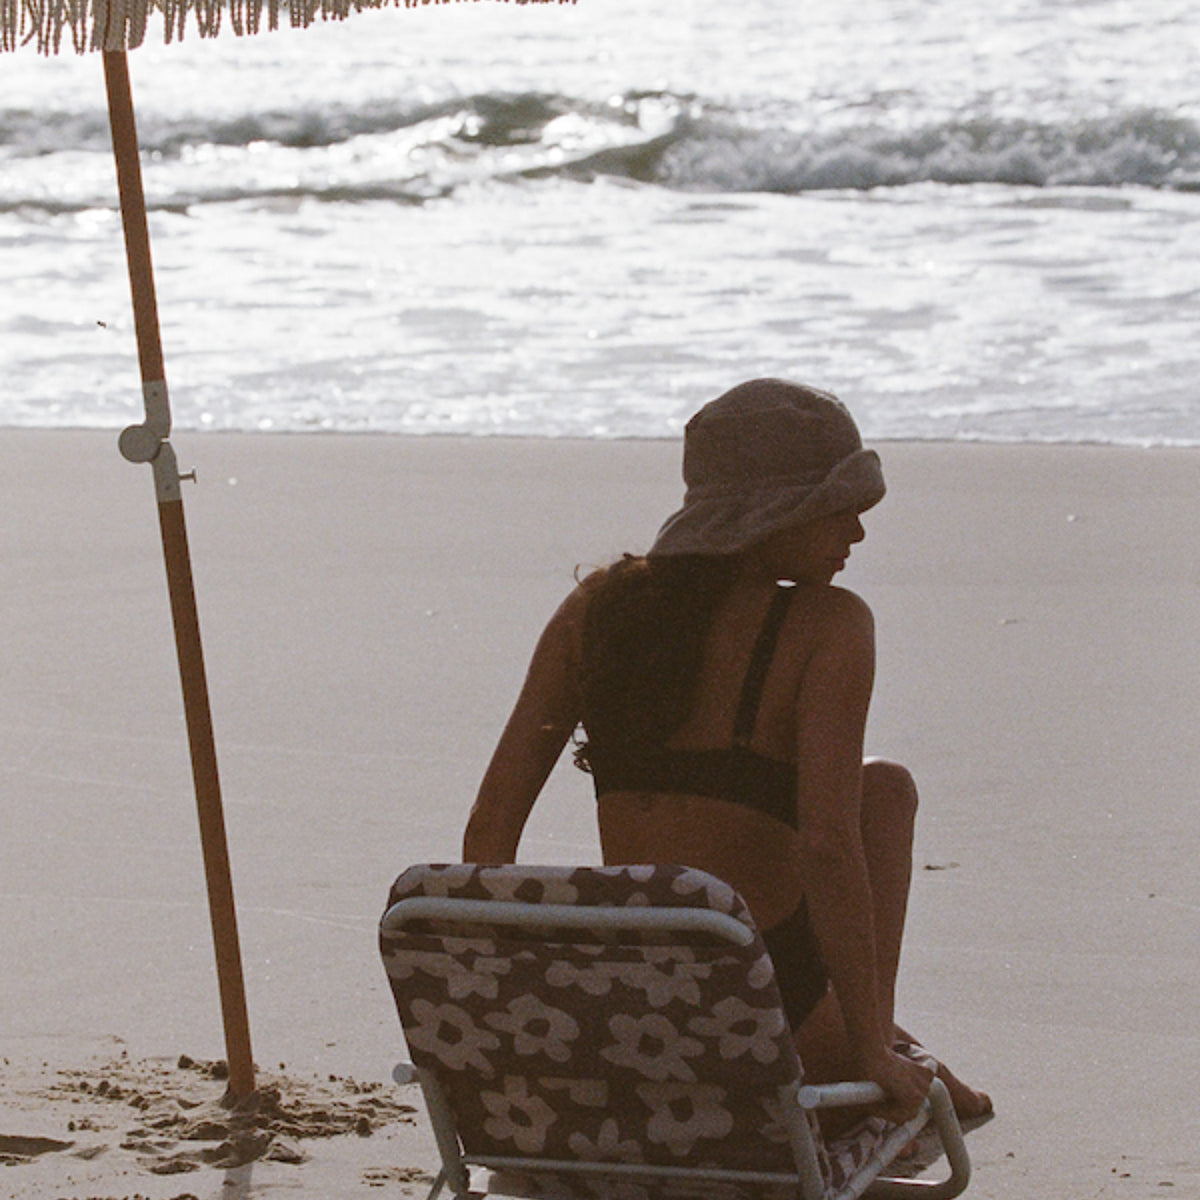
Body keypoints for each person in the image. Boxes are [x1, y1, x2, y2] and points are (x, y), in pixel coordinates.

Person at [463, 378, 990, 1124]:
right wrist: (865, 1058)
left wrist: (507, 1019)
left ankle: (880, 1038)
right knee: (877, 805)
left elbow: (490, 826)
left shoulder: (598, 612)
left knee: (882, 786)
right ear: (777, 513)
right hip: (763, 1010)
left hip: (625, 991)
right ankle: (874, 1050)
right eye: (840, 508)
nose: (858, 534)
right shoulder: (830, 628)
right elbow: (830, 849)